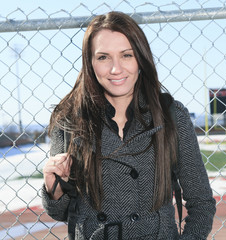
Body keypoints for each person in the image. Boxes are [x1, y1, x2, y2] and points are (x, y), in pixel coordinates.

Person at [42, 11, 216, 240]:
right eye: (103, 57)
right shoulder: (69, 120)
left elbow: (201, 203)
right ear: (90, 62)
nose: (116, 69)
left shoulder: (172, 116)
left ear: (141, 58)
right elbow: (62, 213)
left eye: (126, 55)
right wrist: (53, 186)